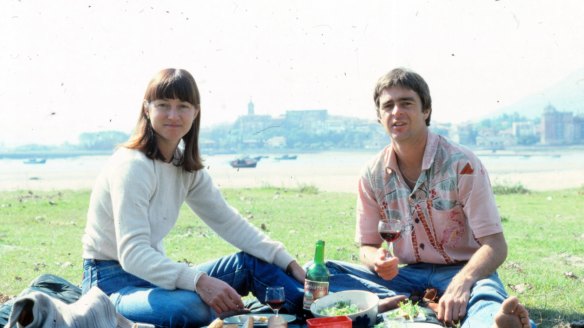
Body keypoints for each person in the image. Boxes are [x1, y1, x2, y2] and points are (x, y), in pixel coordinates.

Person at [80, 68, 306, 327]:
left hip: (156, 280)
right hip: (112, 286)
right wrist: (199, 281)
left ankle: (318, 311)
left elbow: (229, 222)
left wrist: (288, 263)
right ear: (146, 109)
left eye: (183, 106)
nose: (173, 115)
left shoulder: (183, 165)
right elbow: (133, 254)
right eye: (163, 105)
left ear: (195, 112)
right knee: (192, 308)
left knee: (253, 263)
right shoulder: (132, 165)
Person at [323, 67, 533, 328]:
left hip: (462, 269)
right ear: (379, 117)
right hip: (405, 275)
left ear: (426, 110)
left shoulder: (462, 164)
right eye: (387, 106)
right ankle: (420, 305)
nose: (396, 112)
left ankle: (492, 321)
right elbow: (366, 246)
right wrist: (376, 260)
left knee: (483, 293)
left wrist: (462, 281)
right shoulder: (371, 174)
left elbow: (495, 245)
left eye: (406, 103)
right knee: (321, 272)